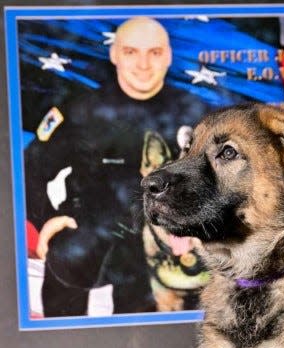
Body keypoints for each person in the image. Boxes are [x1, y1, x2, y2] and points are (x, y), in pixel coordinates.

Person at [25, 17, 210, 317]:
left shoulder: (195, 115)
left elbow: (222, 182)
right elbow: (29, 171)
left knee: (149, 347)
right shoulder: (81, 110)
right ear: (114, 55)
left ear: (168, 56)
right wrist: (49, 218)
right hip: (85, 237)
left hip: (157, 251)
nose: (143, 64)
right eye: (130, 52)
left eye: (154, 52)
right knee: (63, 335)